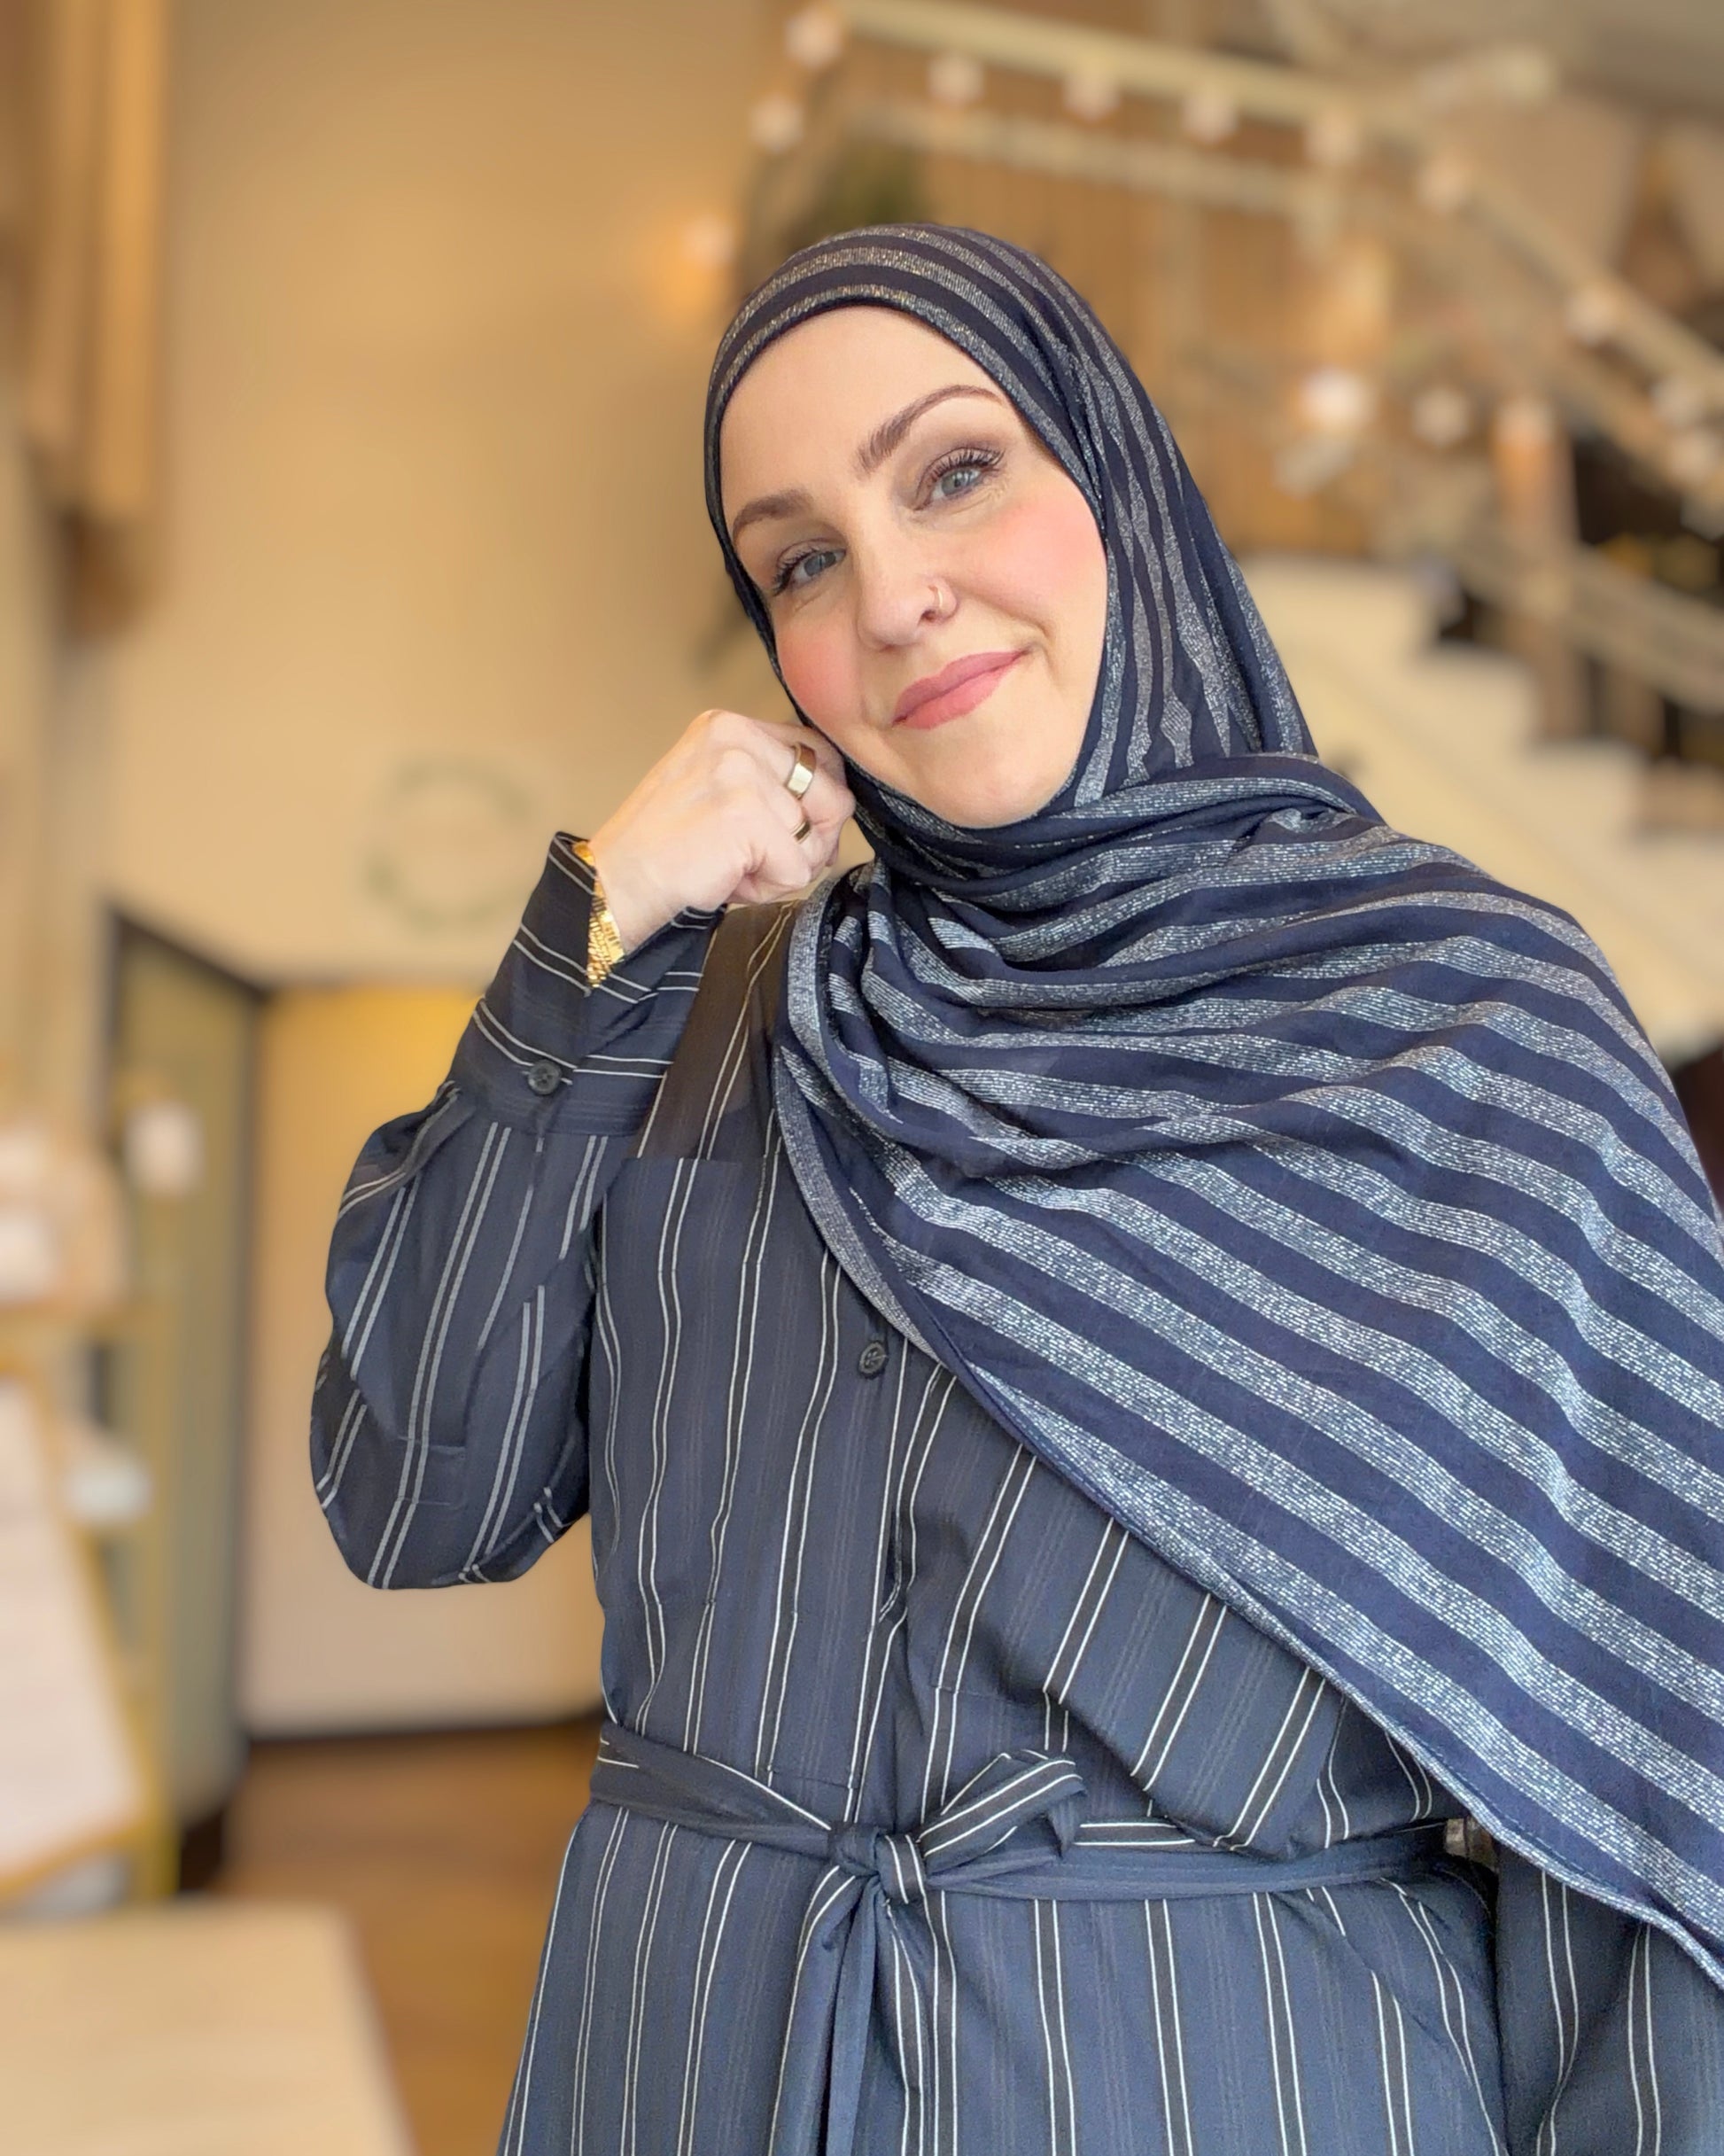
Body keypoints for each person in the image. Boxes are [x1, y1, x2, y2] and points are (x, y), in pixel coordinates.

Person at [313, 225, 1724, 2155]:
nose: (893, 595)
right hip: (687, 2063)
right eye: (800, 557)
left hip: (1224, 2080)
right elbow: (412, 1491)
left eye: (954, 470)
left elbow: (1643, 1800)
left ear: (1117, 483)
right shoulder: (719, 1011)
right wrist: (587, 935)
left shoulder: (1467, 1035)